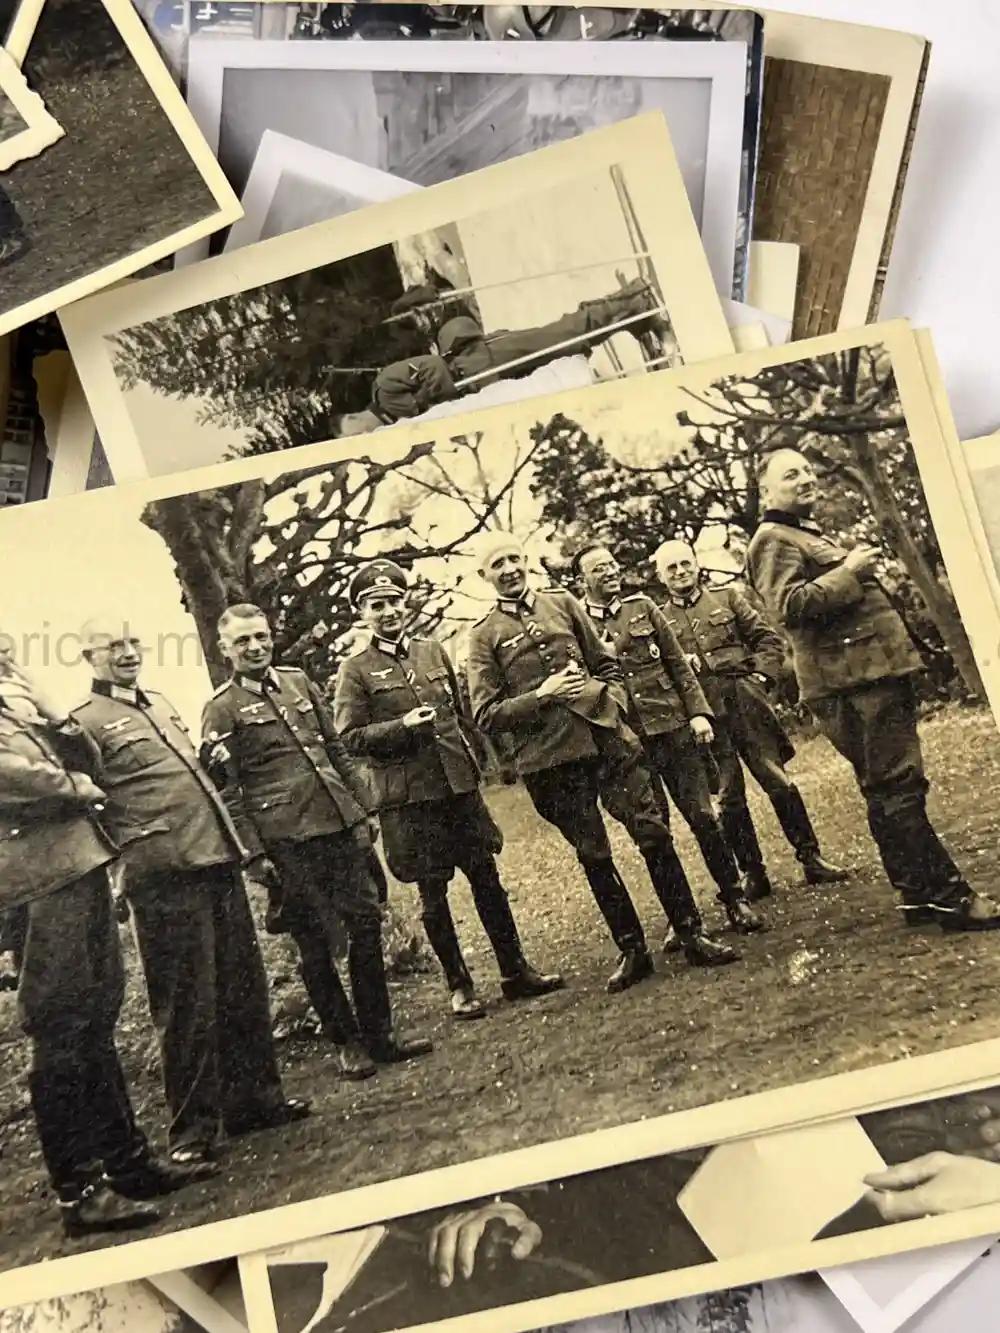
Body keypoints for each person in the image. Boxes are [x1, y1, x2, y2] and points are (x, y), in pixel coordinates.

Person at [71, 616, 310, 1168]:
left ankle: (255, 1101)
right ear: (89, 658)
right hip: (162, 874)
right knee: (185, 1004)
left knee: (241, 986)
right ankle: (191, 1131)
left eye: (133, 642)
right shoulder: (84, 723)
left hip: (214, 856)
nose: (127, 652)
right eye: (113, 646)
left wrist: (210, 764)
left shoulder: (158, 703)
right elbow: (86, 803)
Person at [465, 533, 745, 995]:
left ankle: (692, 931)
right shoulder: (482, 635)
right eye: (499, 564)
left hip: (606, 742)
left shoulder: (562, 604)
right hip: (550, 761)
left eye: (515, 558)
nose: (511, 568)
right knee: (594, 853)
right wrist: (542, 696)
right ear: (485, 575)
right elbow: (486, 714)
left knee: (652, 833)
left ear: (527, 561)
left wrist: (611, 705)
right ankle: (632, 950)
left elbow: (607, 666)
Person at [746, 447, 1000, 930]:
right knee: (899, 786)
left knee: (884, 789)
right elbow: (790, 606)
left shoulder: (796, 533)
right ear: (765, 491)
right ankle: (953, 899)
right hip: (855, 682)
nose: (807, 478)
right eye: (791, 474)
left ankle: (915, 894)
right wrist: (850, 572)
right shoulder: (773, 539)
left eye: (808, 470)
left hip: (859, 676)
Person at [0, 657, 210, 1236]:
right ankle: (80, 1191)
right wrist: (76, 788)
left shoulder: (16, 705)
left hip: (77, 865)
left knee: (95, 1019)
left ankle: (128, 1163)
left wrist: (51, 712)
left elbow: (88, 753)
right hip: (35, 882)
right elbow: (15, 778)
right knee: (60, 1024)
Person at [201, 603, 433, 1079]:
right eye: (243, 641)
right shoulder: (220, 708)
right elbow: (227, 789)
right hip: (287, 843)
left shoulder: (297, 683)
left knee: (366, 924)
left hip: (336, 825)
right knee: (314, 943)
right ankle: (346, 1042)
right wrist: (254, 853)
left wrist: (361, 810)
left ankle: (380, 1034)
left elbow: (334, 750)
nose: (255, 647)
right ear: (225, 649)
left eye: (261, 637)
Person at [333, 559, 565, 1020]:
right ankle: (459, 986)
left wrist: (491, 762)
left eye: (395, 602)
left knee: (487, 880)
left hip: (457, 786)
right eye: (377, 606)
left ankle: (515, 970)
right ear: (363, 614)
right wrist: (399, 726)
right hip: (411, 798)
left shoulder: (431, 651)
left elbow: (461, 715)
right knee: (433, 894)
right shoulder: (355, 670)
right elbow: (350, 738)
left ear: (406, 604)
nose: (389, 612)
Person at [574, 543, 764, 934]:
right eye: (598, 569)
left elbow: (678, 663)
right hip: (628, 743)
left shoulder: (642, 607)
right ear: (582, 580)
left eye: (612, 564)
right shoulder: (578, 627)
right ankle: (685, 922)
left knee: (703, 818)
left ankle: (735, 899)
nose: (609, 572)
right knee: (655, 833)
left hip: (674, 730)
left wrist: (697, 713)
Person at [655, 537, 849, 901]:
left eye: (685, 564)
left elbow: (767, 640)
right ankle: (753, 873)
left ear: (696, 564)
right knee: (728, 795)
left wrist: (759, 680)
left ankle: (812, 858)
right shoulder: (660, 620)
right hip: (706, 718)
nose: (681, 573)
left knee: (777, 780)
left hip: (746, 704)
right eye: (672, 568)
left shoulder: (728, 598)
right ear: (660, 576)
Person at [337, 277, 668, 433]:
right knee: (567, 357)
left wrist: (435, 398)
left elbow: (431, 367)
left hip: (480, 363)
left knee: (560, 337)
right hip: (491, 388)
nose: (362, 437)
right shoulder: (400, 425)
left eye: (353, 434)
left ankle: (633, 301)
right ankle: (627, 317)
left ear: (353, 419)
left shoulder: (383, 388)